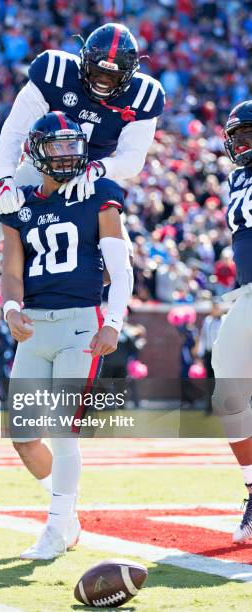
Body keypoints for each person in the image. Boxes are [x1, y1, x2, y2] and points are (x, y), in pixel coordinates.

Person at [0, 22, 164, 353]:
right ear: (83, 62)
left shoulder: (145, 95)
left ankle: (87, 325)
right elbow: (15, 130)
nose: (103, 81)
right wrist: (6, 179)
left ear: (129, 74)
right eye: (97, 71)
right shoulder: (54, 71)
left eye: (113, 75)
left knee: (113, 268)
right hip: (40, 171)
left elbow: (133, 159)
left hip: (90, 180)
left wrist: (98, 168)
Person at [0, 111, 132, 560]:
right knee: (23, 437)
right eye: (56, 146)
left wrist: (114, 320)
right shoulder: (19, 204)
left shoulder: (101, 193)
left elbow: (120, 263)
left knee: (63, 428)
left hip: (80, 325)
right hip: (35, 327)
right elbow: (11, 271)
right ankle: (67, 513)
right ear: (36, 150)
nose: (68, 154)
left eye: (74, 145)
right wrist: (11, 308)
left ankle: (56, 526)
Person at [212, 100, 252, 543]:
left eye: (251, 136)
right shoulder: (236, 177)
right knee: (228, 394)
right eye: (238, 137)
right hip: (247, 294)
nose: (243, 145)